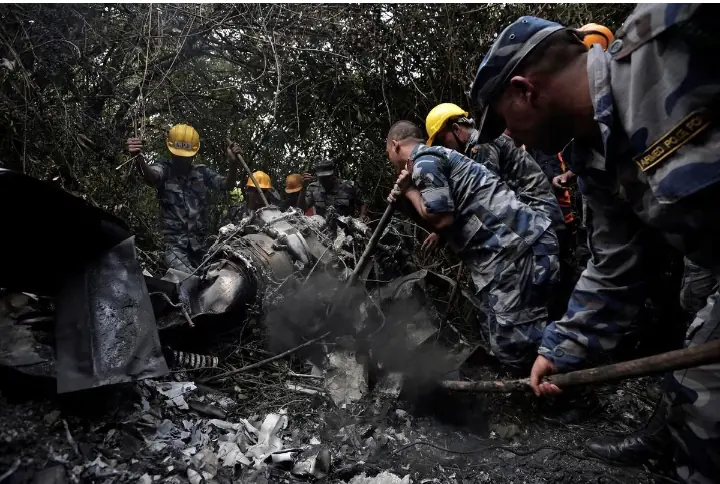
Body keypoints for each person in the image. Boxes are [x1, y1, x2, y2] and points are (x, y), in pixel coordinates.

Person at [469, 7, 720, 481]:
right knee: (698, 396)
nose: (509, 138)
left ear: (525, 91)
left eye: (504, 122)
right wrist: (561, 348)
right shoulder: (595, 163)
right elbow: (617, 264)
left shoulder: (669, 34)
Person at [386, 120, 559, 370]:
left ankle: (569, 399)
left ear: (394, 145)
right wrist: (405, 198)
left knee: (516, 347)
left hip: (515, 250)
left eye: (388, 154)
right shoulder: (434, 158)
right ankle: (553, 389)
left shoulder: (424, 162)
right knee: (513, 335)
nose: (390, 160)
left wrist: (410, 191)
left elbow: (442, 219)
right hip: (514, 250)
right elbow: (436, 218)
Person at [424, 103, 565, 236]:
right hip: (535, 217)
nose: (443, 147)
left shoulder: (480, 145)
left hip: (540, 218)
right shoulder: (477, 146)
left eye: (442, 140)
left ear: (456, 129)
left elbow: (485, 197)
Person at [127, 124, 240, 273]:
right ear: (170, 151)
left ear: (194, 154)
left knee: (219, 274)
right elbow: (152, 176)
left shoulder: (201, 172)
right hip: (173, 247)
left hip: (201, 246)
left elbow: (227, 185)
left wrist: (233, 165)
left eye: (186, 156)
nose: (182, 160)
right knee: (189, 277)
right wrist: (138, 159)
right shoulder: (164, 169)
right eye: (178, 155)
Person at [302, 161, 368, 220]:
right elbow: (302, 209)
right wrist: (303, 188)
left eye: (327, 177)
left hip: (346, 228)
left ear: (333, 174)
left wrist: (362, 216)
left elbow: (363, 201)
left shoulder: (349, 186)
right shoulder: (313, 188)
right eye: (322, 178)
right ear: (317, 176)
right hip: (322, 229)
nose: (325, 180)